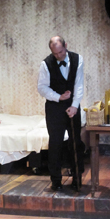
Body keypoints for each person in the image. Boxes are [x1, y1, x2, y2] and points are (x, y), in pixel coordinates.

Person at [37, 36, 84, 191]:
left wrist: (75, 106)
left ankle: (77, 178)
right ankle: (56, 180)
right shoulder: (46, 63)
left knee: (75, 142)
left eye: (61, 52)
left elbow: (79, 84)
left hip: (73, 105)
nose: (59, 56)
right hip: (54, 108)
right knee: (55, 144)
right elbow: (42, 87)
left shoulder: (78, 59)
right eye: (55, 54)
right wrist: (58, 97)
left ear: (66, 46)